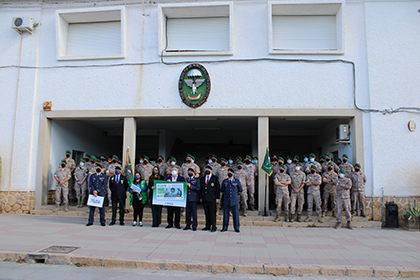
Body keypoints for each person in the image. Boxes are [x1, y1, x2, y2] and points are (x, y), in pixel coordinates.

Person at [221, 168, 243, 233]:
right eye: (228, 172)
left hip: (234, 200)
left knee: (235, 215)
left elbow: (240, 190)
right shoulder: (225, 181)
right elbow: (222, 190)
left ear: (233, 174)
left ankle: (236, 227)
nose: (229, 173)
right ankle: (225, 227)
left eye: (230, 172)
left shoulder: (236, 181)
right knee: (226, 214)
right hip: (227, 200)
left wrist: (235, 195)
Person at [200, 166, 220, 232]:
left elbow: (217, 188)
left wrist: (217, 197)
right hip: (205, 198)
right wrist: (201, 197)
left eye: (208, 169)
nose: (207, 170)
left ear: (211, 170)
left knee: (212, 213)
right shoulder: (203, 178)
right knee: (207, 213)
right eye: (206, 169)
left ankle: (214, 226)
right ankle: (207, 226)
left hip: (212, 198)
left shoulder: (215, 178)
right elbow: (201, 189)